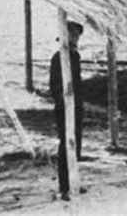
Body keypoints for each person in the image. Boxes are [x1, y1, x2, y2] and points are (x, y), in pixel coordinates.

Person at [49, 21, 87, 201]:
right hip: (64, 108)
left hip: (76, 107)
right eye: (73, 35)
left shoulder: (75, 56)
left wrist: (78, 102)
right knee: (66, 145)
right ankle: (64, 187)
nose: (76, 39)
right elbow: (54, 85)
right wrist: (65, 101)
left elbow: (77, 83)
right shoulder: (58, 58)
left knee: (75, 145)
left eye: (77, 36)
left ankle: (73, 182)